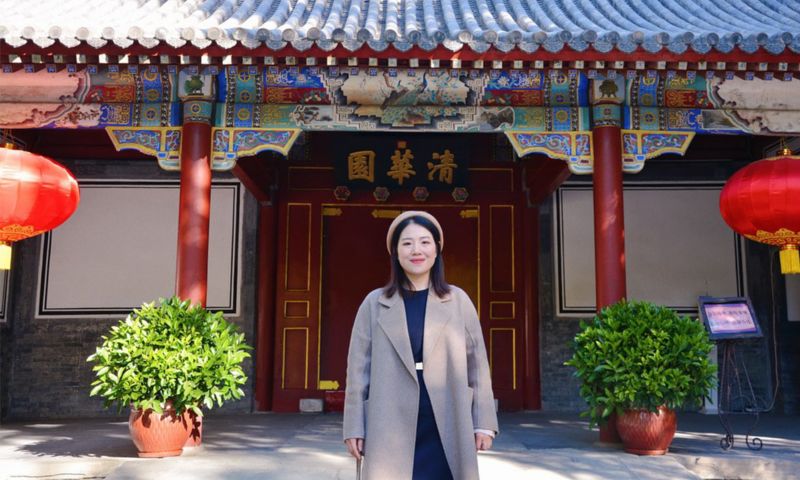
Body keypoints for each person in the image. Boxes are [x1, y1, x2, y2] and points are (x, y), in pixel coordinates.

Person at [343, 210, 498, 480]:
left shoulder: (458, 300)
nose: (417, 250)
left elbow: (478, 365)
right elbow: (358, 372)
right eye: (407, 243)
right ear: (395, 251)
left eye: (425, 242)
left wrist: (484, 422)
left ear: (437, 249)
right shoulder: (374, 303)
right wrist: (354, 426)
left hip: (447, 417)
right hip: (389, 419)